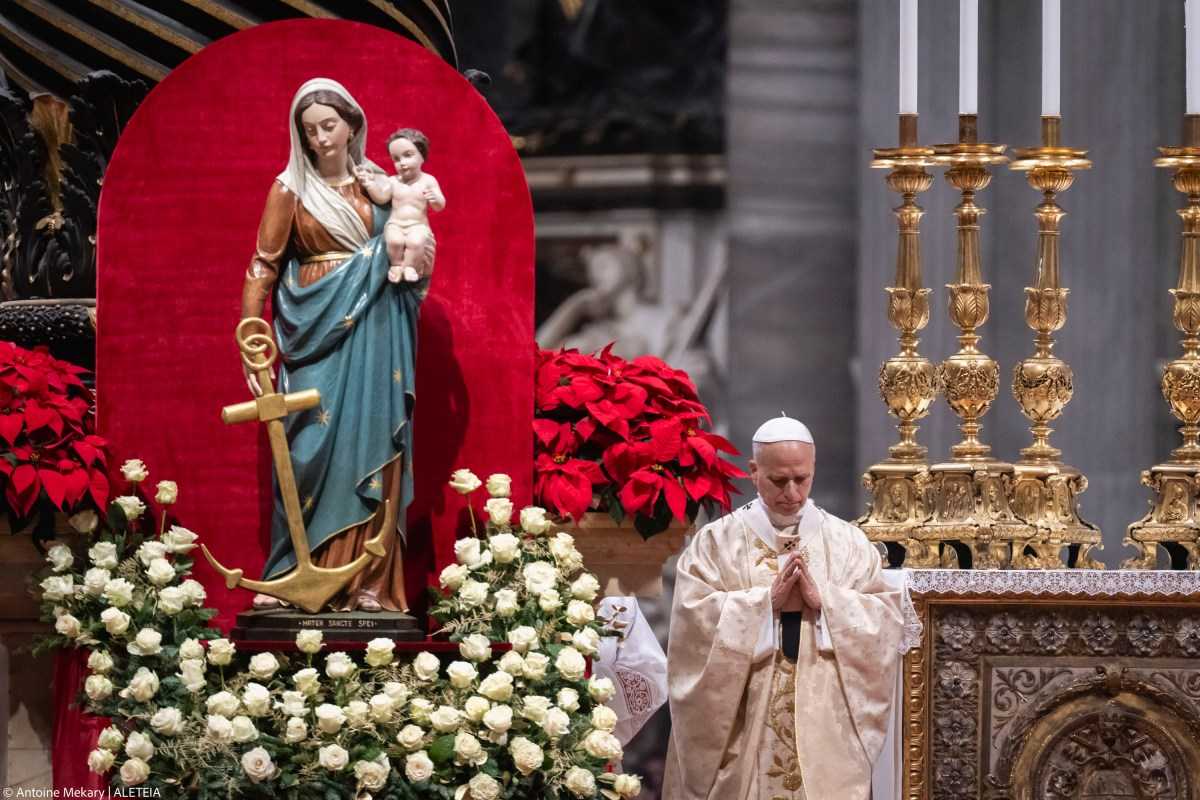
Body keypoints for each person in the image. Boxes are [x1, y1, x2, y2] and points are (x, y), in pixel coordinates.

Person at [240, 77, 423, 613]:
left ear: (352, 125)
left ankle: (368, 584)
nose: (320, 138)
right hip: (312, 332)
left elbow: (409, 251)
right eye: (309, 129)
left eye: (329, 125)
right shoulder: (289, 190)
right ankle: (293, 573)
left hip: (376, 331)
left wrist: (416, 263)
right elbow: (262, 265)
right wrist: (252, 339)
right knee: (304, 456)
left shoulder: (378, 187)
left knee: (374, 445)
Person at [663, 415, 912, 800]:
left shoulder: (847, 542)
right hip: (747, 723)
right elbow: (692, 625)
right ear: (753, 471)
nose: (792, 492)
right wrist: (763, 604)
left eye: (802, 478)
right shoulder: (716, 543)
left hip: (825, 723)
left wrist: (825, 602)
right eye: (779, 480)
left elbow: (885, 621)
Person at [356, 128, 445, 284]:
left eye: (408, 155)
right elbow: (382, 198)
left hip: (418, 225)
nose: (402, 163)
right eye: (396, 159)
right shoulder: (393, 181)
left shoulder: (428, 181)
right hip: (395, 224)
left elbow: (439, 206)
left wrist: (435, 198)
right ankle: (396, 265)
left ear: (421, 156)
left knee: (416, 242)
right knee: (394, 241)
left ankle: (410, 266)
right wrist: (370, 184)